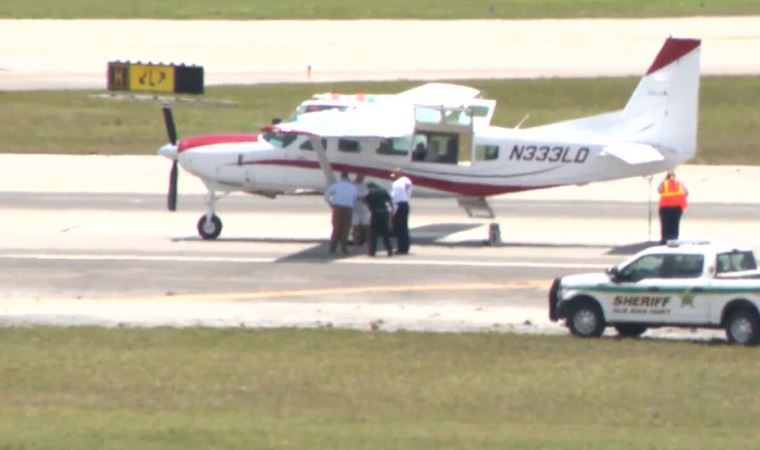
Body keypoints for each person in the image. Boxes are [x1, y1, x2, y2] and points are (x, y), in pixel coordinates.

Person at [324, 171, 358, 255]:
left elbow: (326, 196)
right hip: (348, 208)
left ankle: (332, 248)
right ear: (348, 177)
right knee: (345, 229)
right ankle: (344, 248)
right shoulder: (353, 187)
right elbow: (355, 198)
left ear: (341, 177)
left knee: (336, 228)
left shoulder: (336, 185)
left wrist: (331, 205)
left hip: (337, 207)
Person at [657, 170, 688, 244]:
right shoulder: (680, 183)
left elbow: (659, 190)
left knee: (665, 224)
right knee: (675, 224)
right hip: (677, 207)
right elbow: (686, 192)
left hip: (665, 206)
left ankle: (665, 239)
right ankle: (674, 239)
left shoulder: (663, 183)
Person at [364, 182, 394, 257]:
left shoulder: (370, 192)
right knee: (385, 233)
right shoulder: (383, 190)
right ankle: (389, 250)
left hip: (375, 213)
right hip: (384, 212)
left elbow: (366, 201)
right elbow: (390, 201)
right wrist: (391, 211)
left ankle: (372, 251)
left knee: (373, 233)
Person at [390, 167, 413, 255]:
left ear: (398, 174)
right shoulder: (408, 180)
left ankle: (401, 248)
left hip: (399, 205)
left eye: (394, 175)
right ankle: (405, 247)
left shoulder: (397, 183)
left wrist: (392, 209)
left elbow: (394, 197)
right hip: (406, 204)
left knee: (399, 228)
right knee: (404, 227)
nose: (393, 177)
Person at [351, 172, 371, 250]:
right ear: (357, 176)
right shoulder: (352, 185)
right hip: (355, 208)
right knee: (355, 227)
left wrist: (366, 199)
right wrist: (358, 198)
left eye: (363, 177)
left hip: (364, 208)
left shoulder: (365, 185)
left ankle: (370, 245)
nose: (362, 178)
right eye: (360, 176)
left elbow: (367, 195)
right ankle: (356, 246)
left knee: (367, 227)